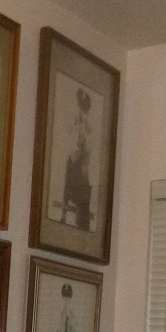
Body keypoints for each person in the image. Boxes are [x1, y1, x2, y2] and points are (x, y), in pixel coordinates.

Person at [61, 87, 94, 229]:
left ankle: (80, 220)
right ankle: (64, 216)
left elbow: (89, 136)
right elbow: (70, 133)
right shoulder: (75, 117)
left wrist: (84, 132)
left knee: (82, 190)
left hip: (81, 161)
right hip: (75, 158)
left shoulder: (86, 119)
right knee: (69, 187)